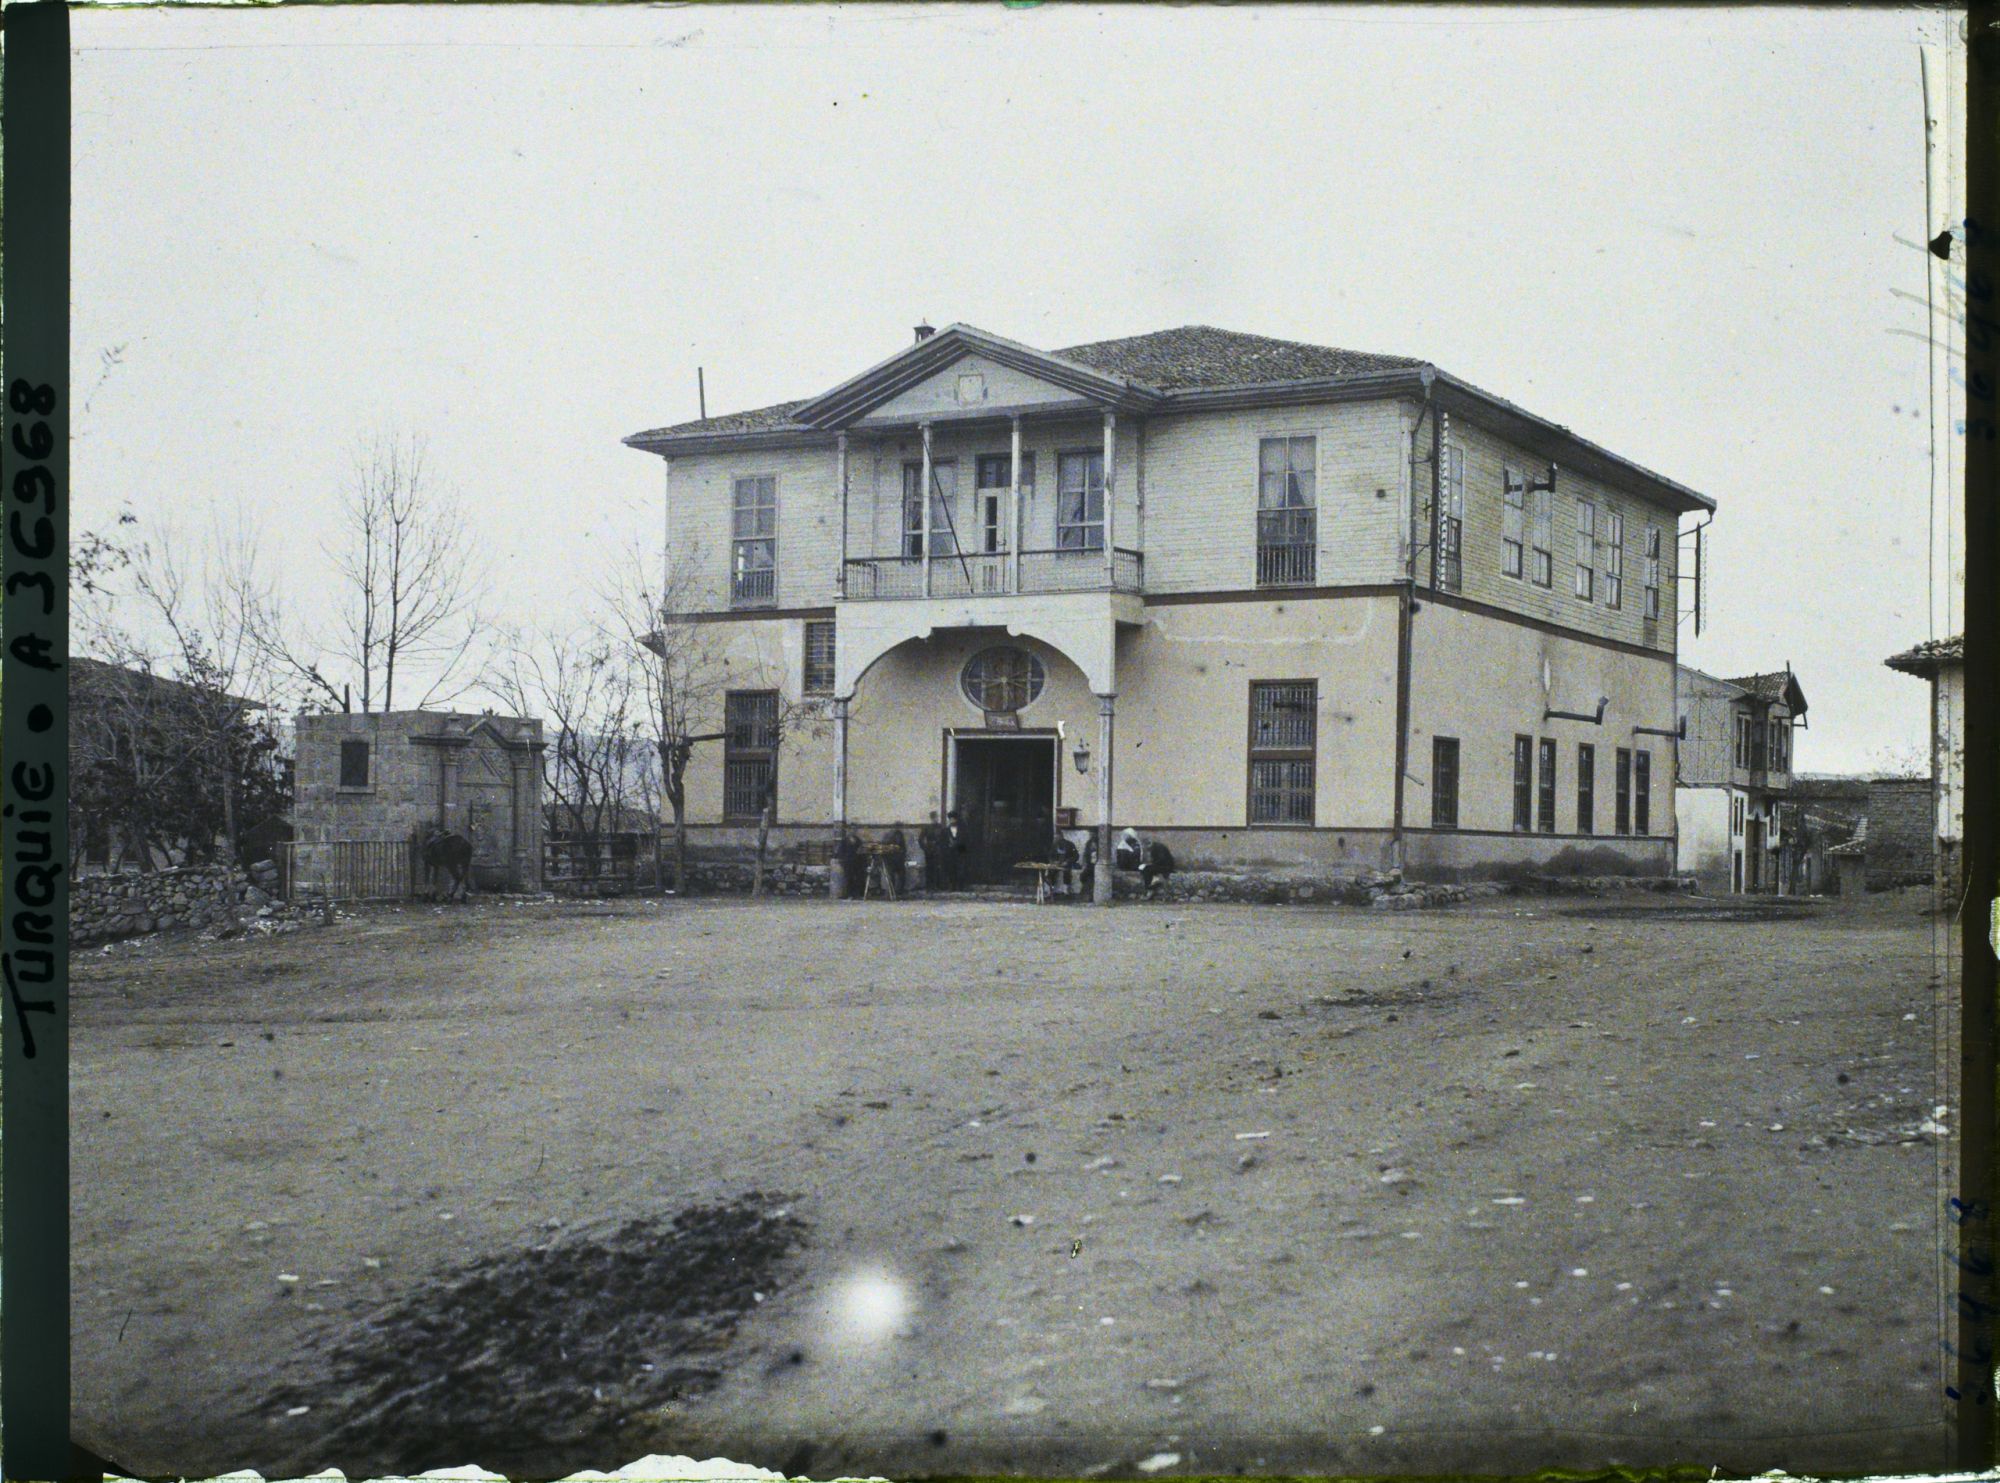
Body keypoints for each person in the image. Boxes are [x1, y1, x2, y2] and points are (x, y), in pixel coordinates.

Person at [1052, 830, 1081, 897]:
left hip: (1067, 864)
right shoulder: (1054, 846)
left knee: (1067, 872)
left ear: (1061, 837)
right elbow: (1050, 855)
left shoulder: (1070, 844)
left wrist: (1067, 861)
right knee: (1051, 872)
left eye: (1057, 837)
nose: (1056, 839)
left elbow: (1076, 856)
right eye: (1055, 838)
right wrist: (1053, 861)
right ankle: (1052, 890)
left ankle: (1066, 891)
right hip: (1056, 865)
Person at [882, 826, 909, 898]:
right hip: (892, 861)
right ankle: (894, 892)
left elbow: (904, 849)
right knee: (893, 877)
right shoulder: (891, 837)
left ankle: (897, 892)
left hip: (897, 861)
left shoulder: (897, 836)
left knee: (901, 876)